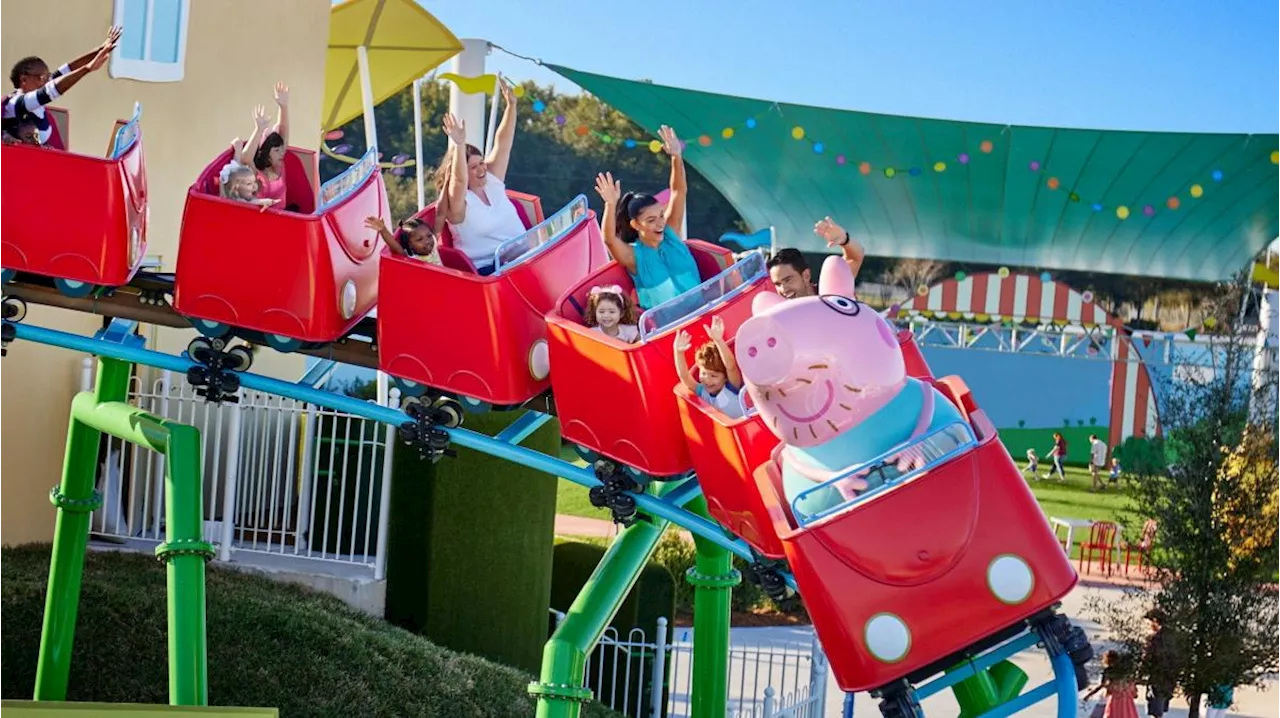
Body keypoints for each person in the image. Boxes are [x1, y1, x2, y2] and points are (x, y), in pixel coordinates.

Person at [594, 125, 700, 309]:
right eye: (651, 220)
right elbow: (609, 240)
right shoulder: (634, 256)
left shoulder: (671, 234)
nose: (660, 223)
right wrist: (610, 204)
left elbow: (678, 191)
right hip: (669, 329)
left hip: (703, 314)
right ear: (635, 225)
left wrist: (676, 156)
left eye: (661, 215)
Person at [435, 80, 522, 275]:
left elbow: (503, 144)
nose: (481, 169)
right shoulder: (458, 203)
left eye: (481, 163)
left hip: (524, 257)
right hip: (491, 271)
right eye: (473, 167)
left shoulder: (491, 180)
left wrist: (511, 106)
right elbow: (458, 179)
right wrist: (459, 144)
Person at [4, 26, 120, 145]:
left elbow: (68, 69)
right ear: (24, 80)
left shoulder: (36, 95)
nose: (47, 80)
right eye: (42, 78)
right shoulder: (17, 103)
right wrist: (87, 69)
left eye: (48, 76)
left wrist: (101, 49)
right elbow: (50, 91)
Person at [766, 216, 867, 299]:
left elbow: (855, 258)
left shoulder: (832, 291)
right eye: (778, 284)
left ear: (806, 275)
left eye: (788, 280)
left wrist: (845, 240)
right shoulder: (782, 314)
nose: (783, 290)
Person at [675, 315, 743, 419]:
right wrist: (678, 352)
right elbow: (684, 376)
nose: (707, 379)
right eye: (703, 373)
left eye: (713, 376)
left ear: (725, 377)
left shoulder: (731, 387)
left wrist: (718, 340)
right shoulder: (703, 391)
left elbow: (731, 366)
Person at [238, 82, 290, 206]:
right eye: (276, 150)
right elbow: (245, 158)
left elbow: (283, 131)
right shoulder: (259, 176)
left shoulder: (279, 165)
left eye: (281, 149)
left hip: (283, 216)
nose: (281, 153)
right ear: (266, 153)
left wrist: (284, 107)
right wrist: (259, 129)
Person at [1082, 650, 1140, 718]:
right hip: (1127, 701)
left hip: (1115, 700)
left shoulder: (1108, 671)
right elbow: (1134, 691)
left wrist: (1089, 695)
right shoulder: (1125, 672)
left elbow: (1102, 685)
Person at [364, 216, 441, 266]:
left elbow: (440, 216)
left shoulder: (433, 244)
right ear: (410, 244)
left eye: (429, 236)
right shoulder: (411, 259)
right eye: (419, 239)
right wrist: (383, 230)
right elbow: (396, 247)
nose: (427, 241)